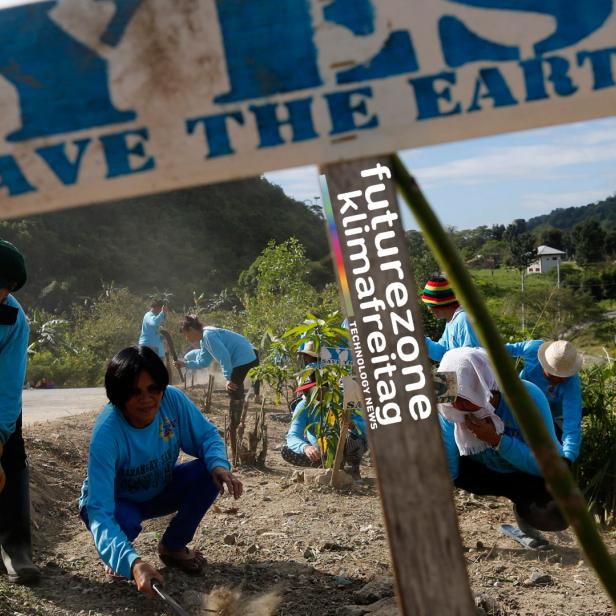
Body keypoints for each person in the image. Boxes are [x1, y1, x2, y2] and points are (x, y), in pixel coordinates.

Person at [79, 346, 242, 597]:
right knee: (123, 525)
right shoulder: (106, 435)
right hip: (119, 502)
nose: (147, 399)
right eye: (135, 392)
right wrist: (133, 564)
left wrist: (219, 465)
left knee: (207, 472)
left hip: (160, 488)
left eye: (154, 389)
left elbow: (207, 436)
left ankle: (173, 546)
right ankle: (118, 556)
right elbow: (99, 511)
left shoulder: (172, 401)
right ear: (118, 395)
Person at [437, 347, 568, 541]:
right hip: (480, 471)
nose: (456, 406)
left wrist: (497, 440)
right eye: (452, 400)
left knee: (558, 514)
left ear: (485, 386)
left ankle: (522, 511)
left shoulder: (527, 398)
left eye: (464, 398)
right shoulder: (448, 405)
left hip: (521, 474)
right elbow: (446, 449)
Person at [0, 239, 40, 585]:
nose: (0, 296)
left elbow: (9, 385)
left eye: (6, 290)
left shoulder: (13, 319)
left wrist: (0, 434)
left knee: (12, 460)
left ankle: (17, 549)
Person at [174, 316, 259, 456]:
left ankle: (234, 427)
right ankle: (234, 427)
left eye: (185, 334)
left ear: (191, 329)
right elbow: (203, 361)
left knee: (233, 389)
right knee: (234, 391)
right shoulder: (205, 338)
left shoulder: (208, 336)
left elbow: (224, 356)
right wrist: (185, 364)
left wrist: (227, 378)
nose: (186, 338)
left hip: (243, 357)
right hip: (244, 356)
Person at [505, 339, 582, 464]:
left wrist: (568, 457)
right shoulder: (532, 349)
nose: (558, 379)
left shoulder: (571, 384)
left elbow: (572, 422)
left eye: (563, 376)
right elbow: (503, 350)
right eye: (552, 375)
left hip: (551, 418)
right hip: (521, 402)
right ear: (544, 363)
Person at [281, 373, 367, 479]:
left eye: (311, 391)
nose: (307, 395)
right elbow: (293, 435)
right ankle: (327, 466)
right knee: (286, 450)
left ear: (325, 389)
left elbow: (368, 429)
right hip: (321, 449)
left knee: (353, 439)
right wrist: (305, 447)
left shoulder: (345, 399)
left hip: (346, 446)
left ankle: (351, 469)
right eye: (305, 392)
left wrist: (353, 426)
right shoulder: (304, 405)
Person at [421, 276, 480, 362]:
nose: (429, 309)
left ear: (441, 303)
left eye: (431, 304)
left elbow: (472, 359)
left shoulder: (464, 320)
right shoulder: (451, 321)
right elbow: (441, 353)